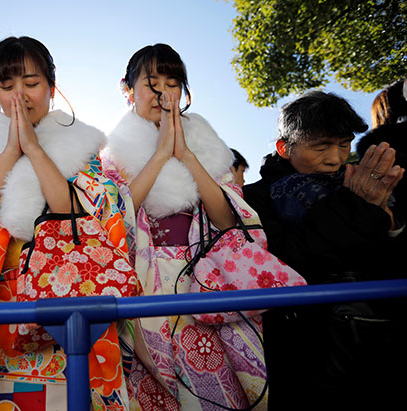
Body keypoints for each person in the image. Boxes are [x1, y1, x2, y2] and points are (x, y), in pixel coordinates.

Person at [0, 36, 137, 410]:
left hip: (67, 299)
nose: (20, 96)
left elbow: (84, 224)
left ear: (51, 87)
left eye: (31, 83)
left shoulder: (84, 150)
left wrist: (34, 149)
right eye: (7, 85)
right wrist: (10, 151)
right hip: (1, 315)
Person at [102, 43, 304, 410]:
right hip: (144, 280)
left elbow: (229, 222)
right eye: (152, 83)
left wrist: (186, 155)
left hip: (204, 278)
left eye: (172, 83)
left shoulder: (207, 144)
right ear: (128, 89)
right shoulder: (112, 153)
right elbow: (114, 220)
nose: (164, 93)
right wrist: (160, 154)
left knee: (215, 385)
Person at [242, 90, 406, 410]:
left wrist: (392, 225)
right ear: (285, 148)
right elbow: (284, 263)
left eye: (344, 144)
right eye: (321, 146)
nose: (336, 158)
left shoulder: (365, 184)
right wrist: (356, 208)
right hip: (303, 352)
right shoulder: (254, 199)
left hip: (380, 340)